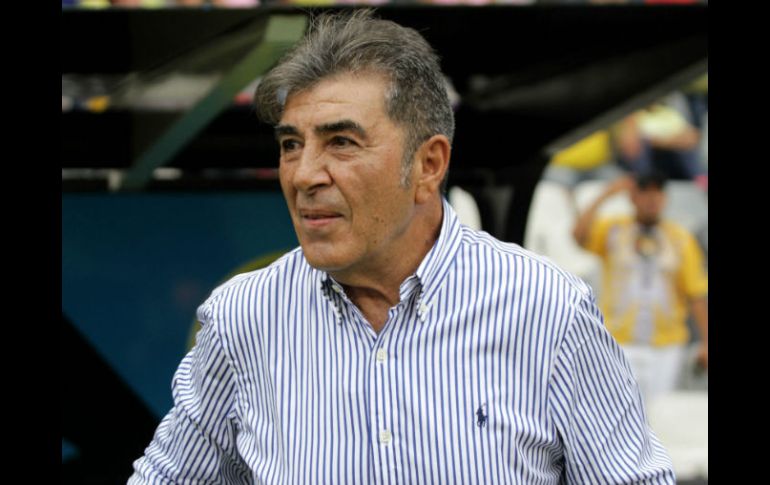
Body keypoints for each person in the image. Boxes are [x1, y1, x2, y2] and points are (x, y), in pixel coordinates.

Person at [129, 10, 675, 484]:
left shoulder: (547, 311)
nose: (304, 174)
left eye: (341, 142)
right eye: (292, 144)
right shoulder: (242, 318)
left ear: (429, 165)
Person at [572, 171, 708, 404]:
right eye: (645, 191)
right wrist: (605, 195)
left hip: (667, 345)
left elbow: (696, 293)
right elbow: (579, 236)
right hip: (619, 340)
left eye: (658, 191)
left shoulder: (680, 238)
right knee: (617, 408)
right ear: (633, 196)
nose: (652, 198)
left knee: (659, 411)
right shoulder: (613, 230)